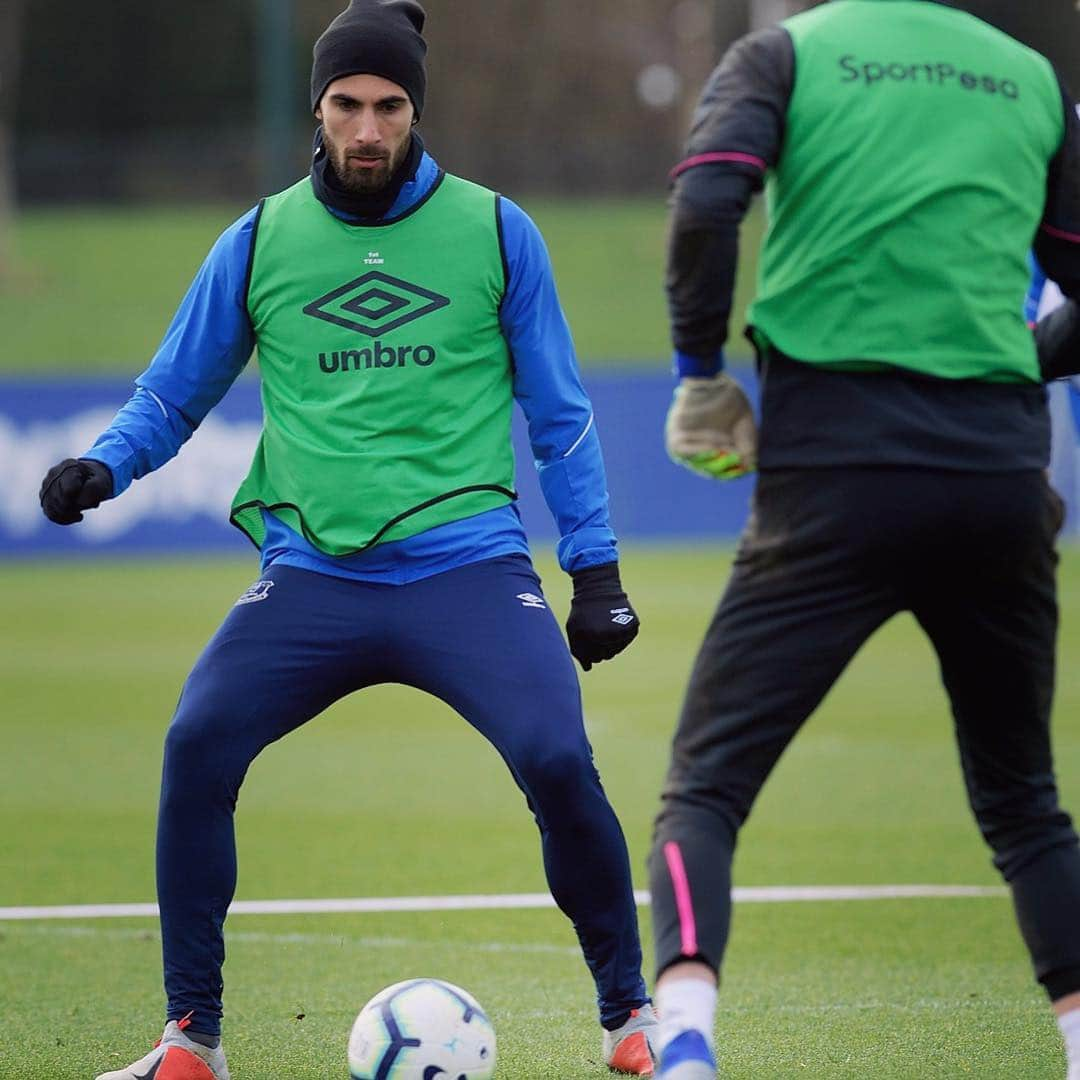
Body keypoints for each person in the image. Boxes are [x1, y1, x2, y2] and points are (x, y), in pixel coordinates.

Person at [38, 3, 659, 1077]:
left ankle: (631, 1019)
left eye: (388, 106)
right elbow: (172, 395)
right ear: (318, 112)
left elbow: (560, 417)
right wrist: (107, 464)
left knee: (559, 759)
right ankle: (192, 1039)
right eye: (345, 106)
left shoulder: (499, 231)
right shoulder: (262, 239)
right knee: (195, 748)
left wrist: (595, 569)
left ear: (415, 109)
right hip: (312, 578)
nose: (367, 129)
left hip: (468, 567)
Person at [642, 2, 1080, 1078]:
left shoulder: (786, 53)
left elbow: (707, 199)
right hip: (996, 476)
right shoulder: (1027, 77)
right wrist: (1022, 366)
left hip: (833, 474)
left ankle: (688, 1041)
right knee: (1025, 806)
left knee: (705, 788)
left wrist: (700, 374)